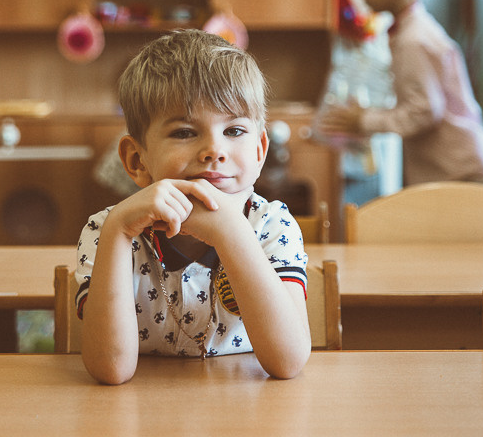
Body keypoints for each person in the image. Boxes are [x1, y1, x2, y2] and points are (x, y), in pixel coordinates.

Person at [75, 29, 311, 385]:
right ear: (137, 160)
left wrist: (229, 230)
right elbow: (111, 370)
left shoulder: (272, 225)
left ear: (260, 151)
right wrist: (119, 231)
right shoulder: (107, 230)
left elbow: (288, 362)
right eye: (184, 132)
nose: (214, 150)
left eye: (234, 131)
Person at [317, 0, 483, 191]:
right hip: (458, 171)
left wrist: (364, 121)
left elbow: (424, 111)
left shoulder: (413, 40)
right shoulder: (412, 31)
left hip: (463, 174)